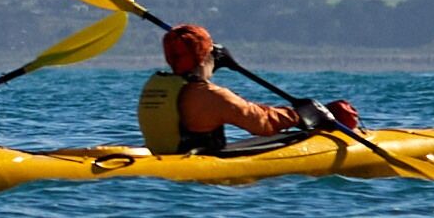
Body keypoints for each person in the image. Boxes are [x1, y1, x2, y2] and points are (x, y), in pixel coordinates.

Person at [139, 22, 359, 155]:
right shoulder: (211, 96)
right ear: (206, 56)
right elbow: (261, 124)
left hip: (163, 158)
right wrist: (302, 115)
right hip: (196, 170)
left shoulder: (156, 86)